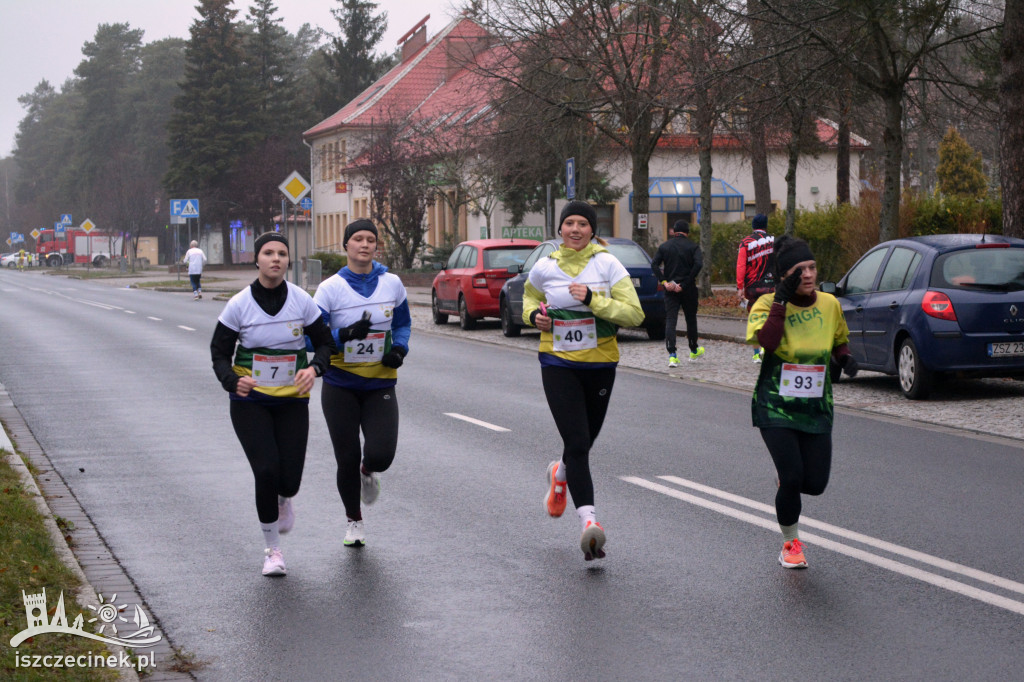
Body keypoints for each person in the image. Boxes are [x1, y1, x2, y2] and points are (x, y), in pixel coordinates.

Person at [523, 200, 644, 561]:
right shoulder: (544, 267)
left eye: (582, 224)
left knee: (583, 444)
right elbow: (530, 299)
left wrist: (593, 300)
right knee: (576, 441)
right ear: (560, 230)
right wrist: (534, 317)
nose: (575, 229)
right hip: (557, 362)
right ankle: (590, 524)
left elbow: (634, 314)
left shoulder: (607, 263)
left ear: (593, 230)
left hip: (601, 363)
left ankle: (560, 473)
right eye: (569, 223)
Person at [210, 232, 335, 577]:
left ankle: (285, 498)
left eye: (282, 253)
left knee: (289, 480)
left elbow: (326, 344)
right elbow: (219, 353)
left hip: (292, 400)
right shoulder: (239, 304)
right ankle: (272, 551)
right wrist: (233, 380)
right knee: (266, 469)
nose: (275, 258)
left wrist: (314, 368)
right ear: (257, 260)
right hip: (250, 401)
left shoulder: (301, 301)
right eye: (268, 253)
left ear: (288, 261)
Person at [745, 235, 858, 569]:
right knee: (793, 476)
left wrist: (846, 358)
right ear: (783, 276)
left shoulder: (830, 304)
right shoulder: (765, 305)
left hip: (816, 407)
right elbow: (766, 341)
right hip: (775, 404)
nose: (808, 275)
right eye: (798, 270)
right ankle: (790, 544)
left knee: (815, 484)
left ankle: (786, 482)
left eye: (811, 267)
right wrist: (780, 301)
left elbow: (839, 341)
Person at [313, 219, 411, 548]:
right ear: (346, 246)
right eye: (358, 239)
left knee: (381, 454)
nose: (364, 245)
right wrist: (344, 335)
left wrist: (399, 349)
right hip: (340, 384)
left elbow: (403, 324)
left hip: (380, 383)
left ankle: (368, 470)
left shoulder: (392, 284)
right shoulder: (329, 289)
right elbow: (316, 340)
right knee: (346, 456)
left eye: (370, 239)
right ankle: (354, 520)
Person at [651, 220, 704, 366]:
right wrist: (686, 283)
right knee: (690, 319)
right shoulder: (693, 247)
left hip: (670, 288)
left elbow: (654, 264)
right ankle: (693, 350)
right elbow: (699, 264)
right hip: (688, 289)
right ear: (687, 232)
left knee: (671, 320)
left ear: (674, 232)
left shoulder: (665, 246)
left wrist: (664, 282)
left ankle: (672, 354)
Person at [736, 214, 776, 362]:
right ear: (766, 226)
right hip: (770, 286)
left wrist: (740, 287)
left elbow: (741, 266)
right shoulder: (773, 241)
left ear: (753, 226)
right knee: (769, 318)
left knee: (754, 318)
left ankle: (756, 353)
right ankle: (766, 348)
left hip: (752, 287)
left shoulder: (745, 242)